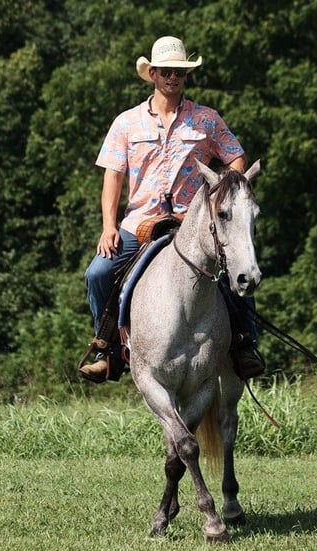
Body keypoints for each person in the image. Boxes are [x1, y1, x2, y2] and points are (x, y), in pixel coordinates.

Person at [79, 35, 265, 383]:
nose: (173, 77)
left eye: (179, 71)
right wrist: (109, 226)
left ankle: (244, 345)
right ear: (152, 73)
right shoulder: (126, 123)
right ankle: (108, 350)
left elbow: (235, 156)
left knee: (233, 266)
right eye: (166, 71)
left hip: (191, 223)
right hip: (141, 223)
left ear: (185, 75)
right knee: (98, 273)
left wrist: (229, 192)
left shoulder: (206, 120)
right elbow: (112, 177)